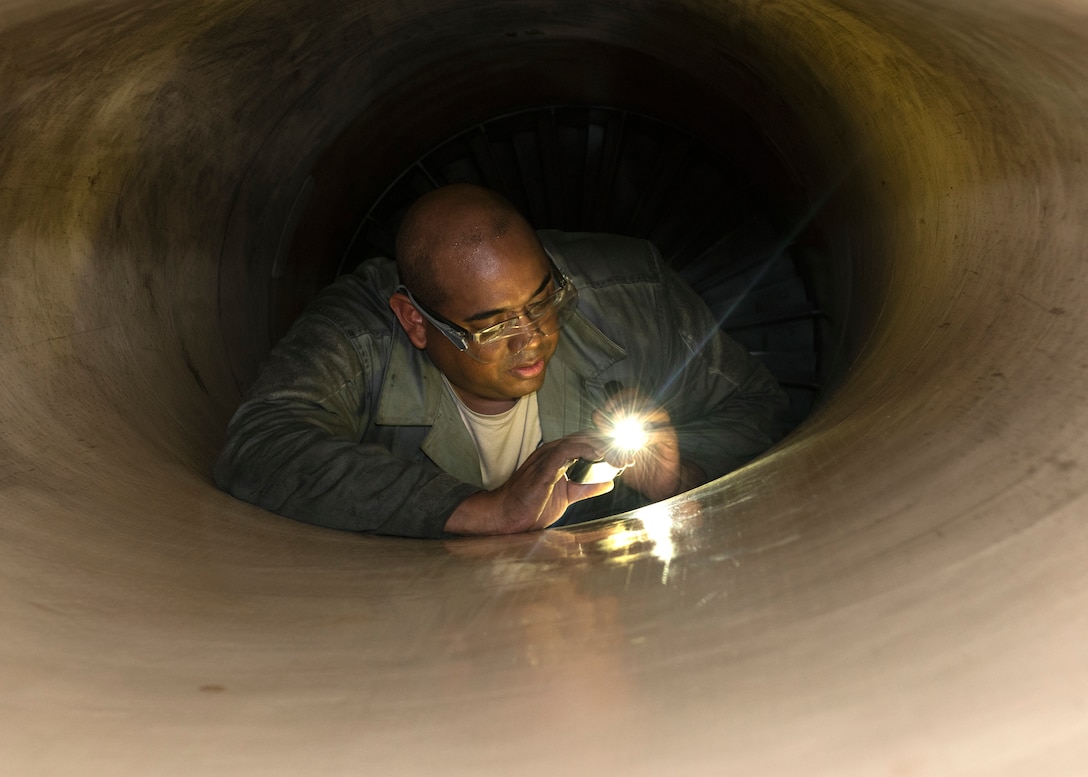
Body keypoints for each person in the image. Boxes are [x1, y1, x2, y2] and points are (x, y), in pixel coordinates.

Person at [214, 184, 788, 538]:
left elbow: (766, 412)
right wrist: (485, 510)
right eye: (492, 325)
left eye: (543, 301)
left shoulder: (632, 295)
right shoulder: (363, 334)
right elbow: (260, 448)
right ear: (416, 321)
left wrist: (678, 477)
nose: (532, 339)